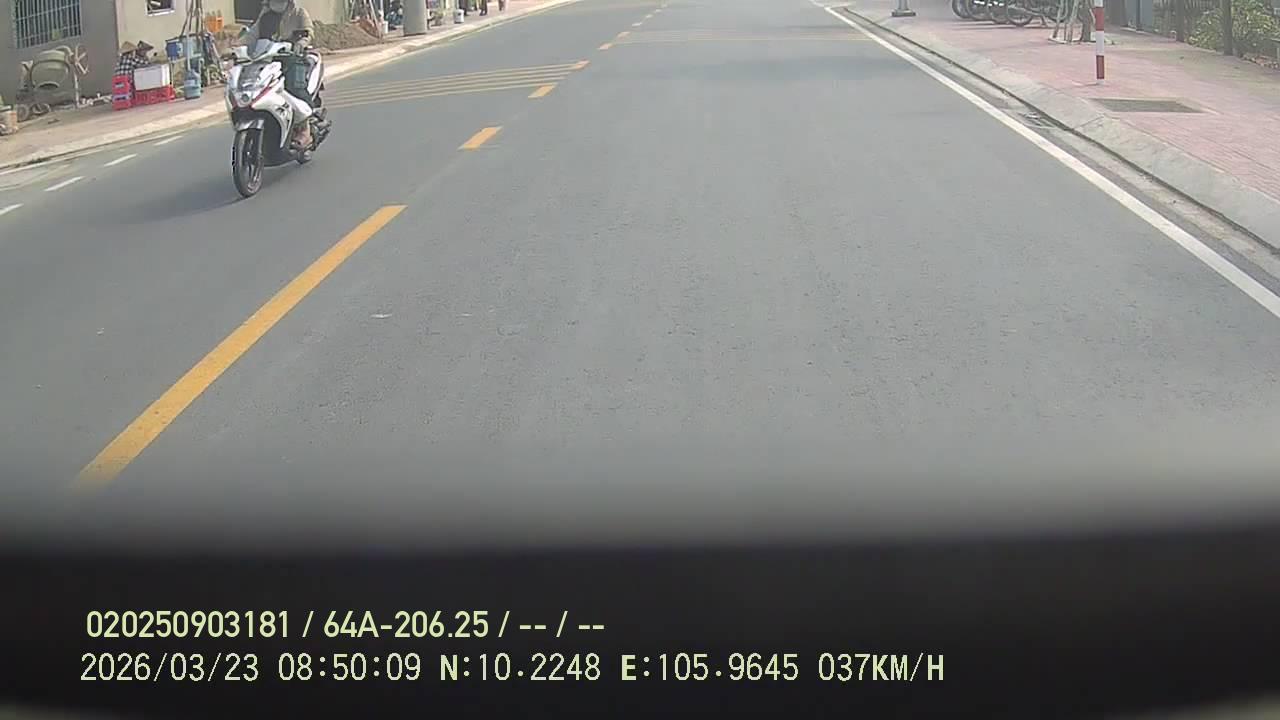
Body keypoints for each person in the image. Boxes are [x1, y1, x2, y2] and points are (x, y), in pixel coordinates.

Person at [239, 0, 316, 147]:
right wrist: (236, 47)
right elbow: (251, 36)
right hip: (268, 60)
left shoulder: (299, 13)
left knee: (294, 87)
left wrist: (300, 44)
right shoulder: (265, 16)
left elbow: (308, 32)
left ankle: (305, 128)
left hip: (292, 58)